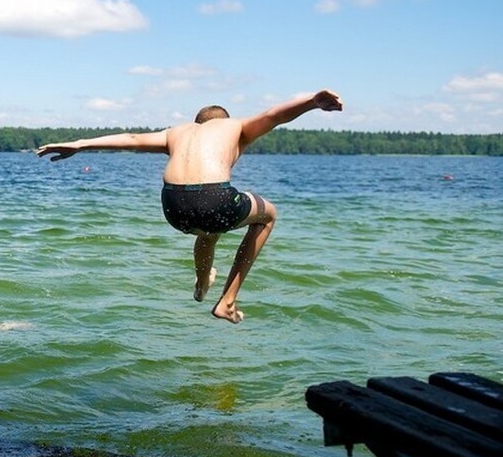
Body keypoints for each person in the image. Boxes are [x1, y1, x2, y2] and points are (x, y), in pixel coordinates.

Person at [36, 90, 343, 323]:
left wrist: (79, 144)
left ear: (198, 123)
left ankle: (201, 284)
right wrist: (313, 101)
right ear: (222, 120)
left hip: (172, 206)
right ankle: (228, 300)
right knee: (268, 216)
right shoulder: (234, 126)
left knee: (208, 232)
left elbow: (129, 138)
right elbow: (275, 115)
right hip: (214, 197)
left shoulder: (176, 132)